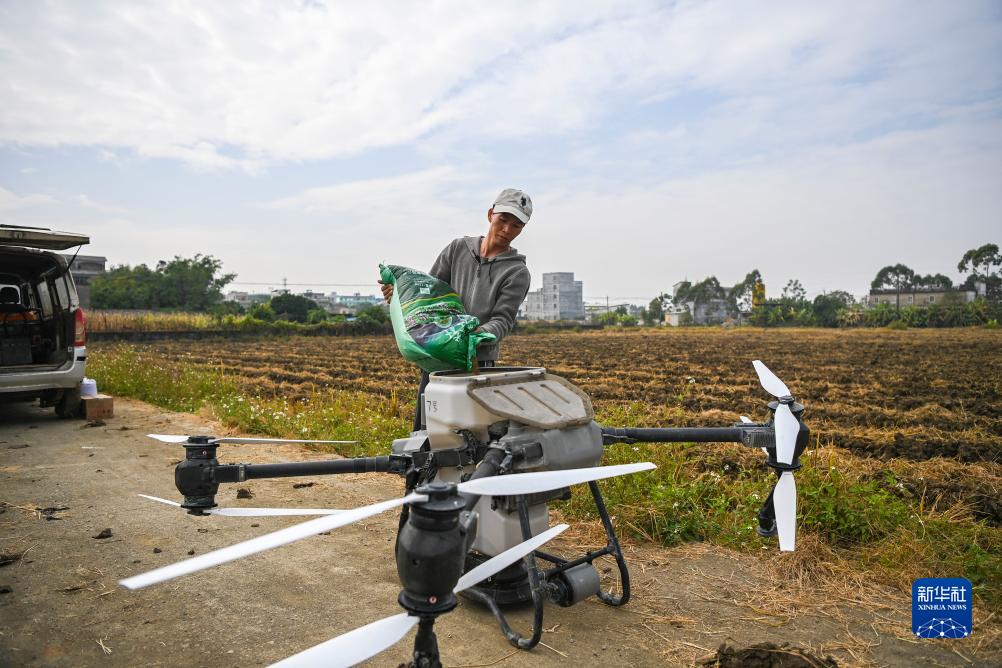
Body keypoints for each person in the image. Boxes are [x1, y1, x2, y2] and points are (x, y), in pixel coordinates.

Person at [380, 188, 533, 431]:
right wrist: (399, 295)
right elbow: (429, 293)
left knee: (469, 435)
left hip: (477, 362)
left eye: (516, 225)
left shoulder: (517, 272)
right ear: (490, 214)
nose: (507, 229)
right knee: (429, 429)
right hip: (439, 357)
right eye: (503, 219)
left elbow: (503, 320)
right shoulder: (458, 249)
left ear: (521, 229)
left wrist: (472, 337)